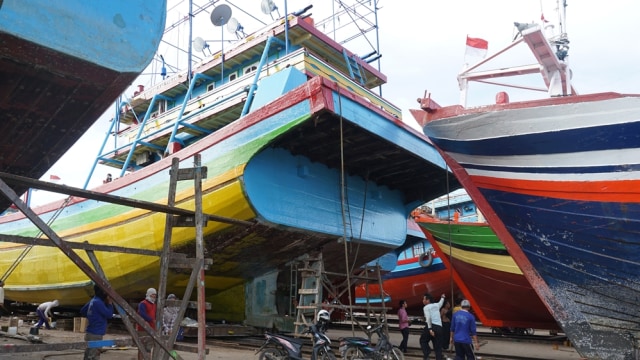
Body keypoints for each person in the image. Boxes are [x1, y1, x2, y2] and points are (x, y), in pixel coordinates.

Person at [80, 285, 114, 360]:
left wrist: (92, 316)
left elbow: (82, 311)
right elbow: (109, 315)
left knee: (88, 355)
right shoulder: (98, 303)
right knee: (93, 356)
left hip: (90, 333)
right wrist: (110, 304)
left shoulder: (93, 301)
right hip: (96, 334)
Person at [420, 293, 446, 360]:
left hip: (431, 326)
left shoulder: (426, 307)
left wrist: (430, 329)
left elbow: (428, 318)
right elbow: (441, 303)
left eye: (424, 299)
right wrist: (442, 297)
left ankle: (427, 352)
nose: (423, 300)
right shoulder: (436, 305)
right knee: (438, 347)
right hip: (439, 328)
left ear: (428, 300)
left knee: (423, 340)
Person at [136, 288, 157, 360]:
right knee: (141, 347)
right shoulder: (143, 304)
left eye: (155, 295)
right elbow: (141, 314)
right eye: (152, 295)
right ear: (148, 294)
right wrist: (151, 320)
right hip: (142, 329)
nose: (154, 297)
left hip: (151, 329)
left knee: (148, 348)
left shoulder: (154, 305)